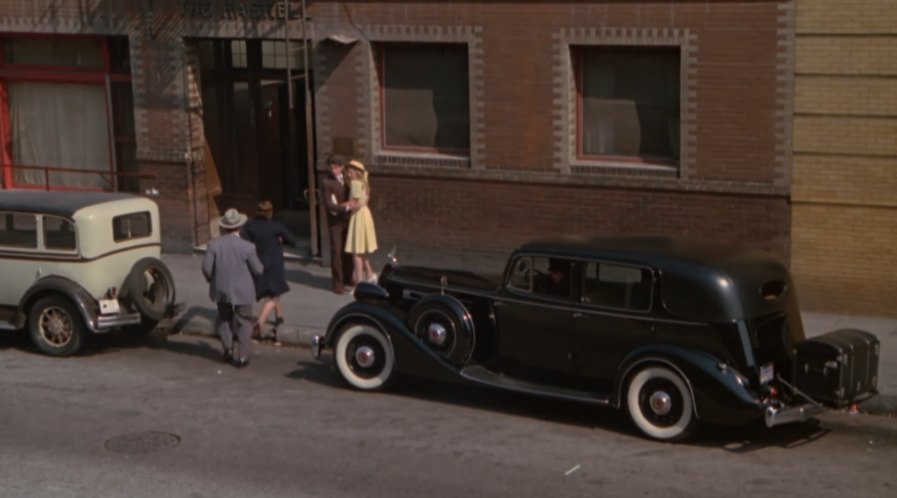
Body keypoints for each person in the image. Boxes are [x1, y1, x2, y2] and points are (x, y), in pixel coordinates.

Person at [201, 208, 264, 368]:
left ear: (224, 227)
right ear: (240, 227)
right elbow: (258, 269)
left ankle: (227, 349)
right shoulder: (247, 247)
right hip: (243, 289)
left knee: (224, 318)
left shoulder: (213, 245)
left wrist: (211, 280)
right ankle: (242, 357)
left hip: (221, 288)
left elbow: (206, 268)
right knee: (244, 321)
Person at [241, 200, 297, 340]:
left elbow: (245, 241)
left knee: (273, 290)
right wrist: (280, 240)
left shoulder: (250, 225)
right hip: (275, 263)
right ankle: (260, 322)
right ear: (270, 212)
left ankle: (280, 316)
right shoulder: (275, 226)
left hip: (258, 262)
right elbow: (293, 241)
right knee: (275, 294)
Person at [320, 154, 356, 294]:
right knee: (336, 251)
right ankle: (337, 283)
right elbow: (329, 205)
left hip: (348, 220)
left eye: (336, 167)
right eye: (331, 167)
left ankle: (348, 277)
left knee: (348, 250)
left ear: (342, 167)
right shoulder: (326, 183)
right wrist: (346, 207)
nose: (333, 170)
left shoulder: (347, 179)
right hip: (335, 222)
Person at [344, 159, 378, 284]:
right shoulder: (364, 182)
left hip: (358, 217)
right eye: (347, 172)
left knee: (356, 254)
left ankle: (359, 282)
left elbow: (355, 203)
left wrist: (340, 206)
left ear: (357, 173)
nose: (348, 175)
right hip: (365, 215)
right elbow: (364, 201)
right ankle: (370, 274)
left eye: (351, 172)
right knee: (361, 250)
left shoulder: (355, 184)